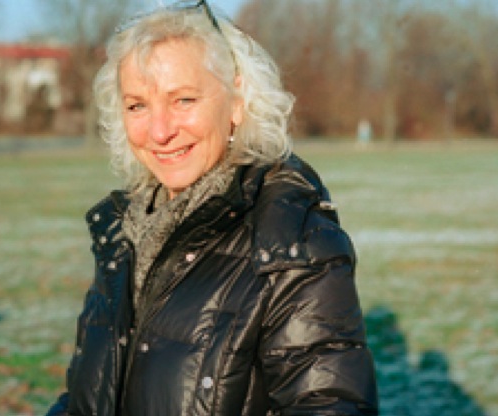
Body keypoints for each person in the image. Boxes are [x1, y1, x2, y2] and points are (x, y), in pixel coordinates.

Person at [47, 1, 378, 415]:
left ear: (237, 102)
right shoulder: (124, 234)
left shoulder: (292, 240)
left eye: (183, 100)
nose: (160, 131)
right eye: (137, 105)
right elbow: (84, 399)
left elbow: (328, 405)